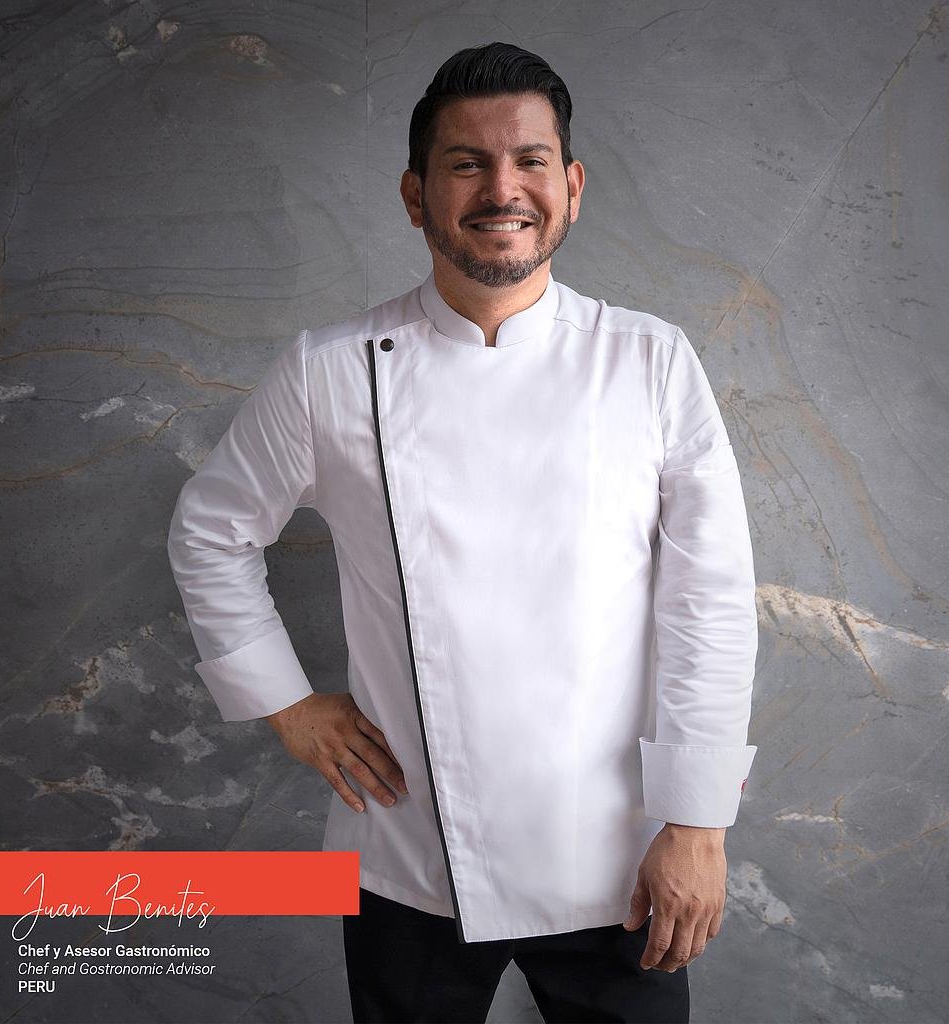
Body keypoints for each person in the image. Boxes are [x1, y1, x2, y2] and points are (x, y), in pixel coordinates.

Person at [167, 40, 760, 1024]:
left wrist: (698, 823)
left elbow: (711, 604)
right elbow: (209, 531)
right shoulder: (328, 370)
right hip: (408, 860)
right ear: (415, 196)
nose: (502, 189)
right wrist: (284, 702)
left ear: (571, 188)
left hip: (618, 856)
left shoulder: (651, 362)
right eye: (466, 163)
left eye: (530, 160)